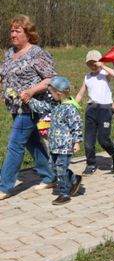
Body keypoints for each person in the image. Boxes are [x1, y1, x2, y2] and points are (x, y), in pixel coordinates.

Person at [0, 15, 56, 200]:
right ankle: (49, 176)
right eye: (11, 30)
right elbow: (4, 74)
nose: (13, 34)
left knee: (15, 144)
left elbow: (50, 79)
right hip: (14, 106)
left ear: (28, 33)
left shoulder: (37, 53)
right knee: (32, 142)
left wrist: (31, 91)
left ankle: (4, 186)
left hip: (30, 107)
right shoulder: (10, 52)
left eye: (17, 31)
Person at [28, 76, 83, 205]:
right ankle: (74, 179)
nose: (50, 95)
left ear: (58, 93)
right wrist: (29, 100)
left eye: (51, 93)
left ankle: (64, 194)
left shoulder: (70, 108)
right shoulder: (55, 105)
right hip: (54, 145)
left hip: (65, 145)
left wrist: (76, 142)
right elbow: (41, 107)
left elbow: (76, 125)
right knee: (53, 167)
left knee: (61, 170)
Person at [75, 50, 114, 175]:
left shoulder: (105, 73)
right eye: (90, 63)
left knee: (103, 140)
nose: (93, 65)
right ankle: (90, 163)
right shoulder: (87, 77)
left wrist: (103, 66)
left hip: (105, 109)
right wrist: (72, 105)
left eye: (95, 62)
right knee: (88, 141)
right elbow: (80, 94)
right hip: (91, 109)